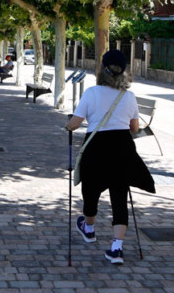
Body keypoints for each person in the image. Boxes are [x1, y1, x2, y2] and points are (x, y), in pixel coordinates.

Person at [65, 50, 155, 264]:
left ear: (102, 70)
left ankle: (89, 228)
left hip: (96, 147)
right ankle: (116, 248)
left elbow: (75, 124)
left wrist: (68, 125)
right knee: (119, 196)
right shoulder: (128, 96)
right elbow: (135, 128)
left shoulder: (91, 93)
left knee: (91, 190)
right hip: (122, 148)